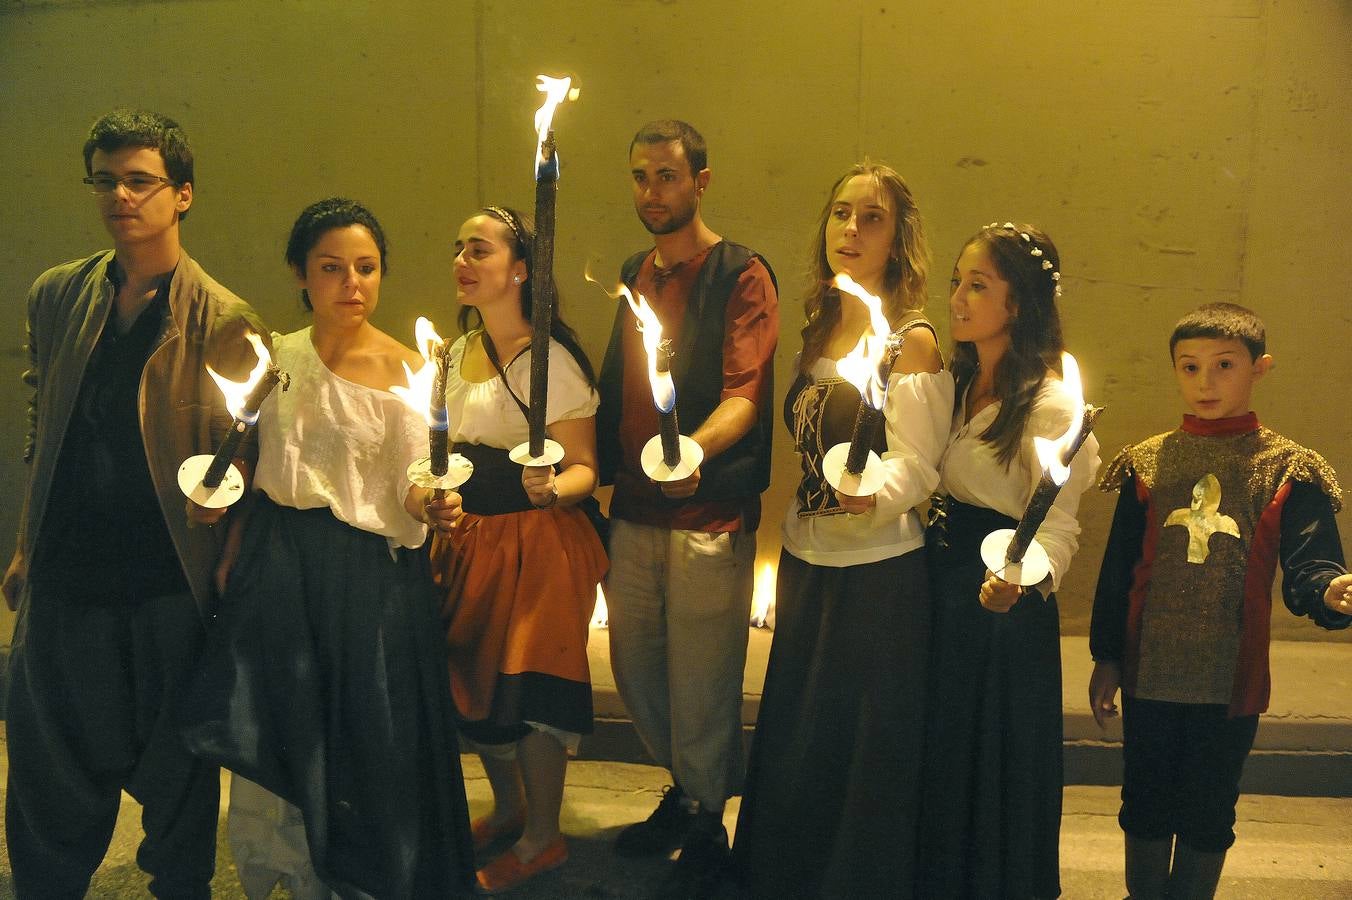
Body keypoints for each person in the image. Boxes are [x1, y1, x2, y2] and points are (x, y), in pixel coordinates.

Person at [1, 109, 265, 897]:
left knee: (176, 770)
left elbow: (245, 455)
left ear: (182, 194)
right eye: (106, 180)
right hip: (68, 570)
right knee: (49, 765)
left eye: (140, 181)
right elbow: (41, 420)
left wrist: (225, 541)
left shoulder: (223, 317)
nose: (121, 195)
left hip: (165, 581)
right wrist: (25, 547)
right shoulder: (58, 296)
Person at [177, 198, 475, 898]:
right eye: (332, 268)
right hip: (278, 566)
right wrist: (221, 507)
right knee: (275, 720)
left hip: (365, 581)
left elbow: (412, 481)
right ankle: (281, 870)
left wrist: (435, 501)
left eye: (366, 268)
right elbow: (247, 458)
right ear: (300, 275)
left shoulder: (407, 372)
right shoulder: (276, 357)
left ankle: (357, 876)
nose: (352, 284)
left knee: (363, 735)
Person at [731, 162, 951, 898]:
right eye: (840, 213)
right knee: (803, 737)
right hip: (807, 560)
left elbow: (921, 469)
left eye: (872, 218)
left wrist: (873, 498)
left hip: (879, 574)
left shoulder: (911, 341)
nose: (850, 230)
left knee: (861, 746)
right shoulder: (819, 324)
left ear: (899, 240)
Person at [1088, 302, 1351, 900]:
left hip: (1228, 675)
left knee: (1209, 804)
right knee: (1146, 800)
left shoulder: (1289, 467)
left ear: (1260, 368)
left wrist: (1331, 591)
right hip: (1150, 668)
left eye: (1224, 365)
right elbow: (1119, 569)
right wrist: (1108, 656)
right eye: (1190, 367)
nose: (1205, 382)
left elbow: (1311, 562)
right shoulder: (1148, 462)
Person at [596, 119, 779, 899]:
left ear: (700, 182)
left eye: (667, 176)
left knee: (702, 683)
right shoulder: (636, 271)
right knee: (638, 674)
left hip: (707, 517)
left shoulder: (741, 274)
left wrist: (692, 451)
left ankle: (707, 818)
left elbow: (744, 394)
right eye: (641, 176)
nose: (651, 192)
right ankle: (686, 789)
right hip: (635, 513)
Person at [420, 205, 607, 895]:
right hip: (470, 542)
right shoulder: (450, 354)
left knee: (530, 688)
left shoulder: (550, 360)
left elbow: (586, 466)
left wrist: (552, 488)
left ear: (521, 269)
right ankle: (510, 808)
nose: (462, 261)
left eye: (480, 249)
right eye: (458, 248)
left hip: (539, 543)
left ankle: (543, 837)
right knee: (475, 686)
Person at [917, 222, 1099, 899]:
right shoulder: (958, 382)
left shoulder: (1050, 405)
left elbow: (1059, 526)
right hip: (942, 586)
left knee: (990, 760)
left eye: (978, 286)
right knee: (943, 753)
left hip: (999, 598)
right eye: (957, 282)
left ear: (1017, 305)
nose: (958, 299)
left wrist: (1019, 584)